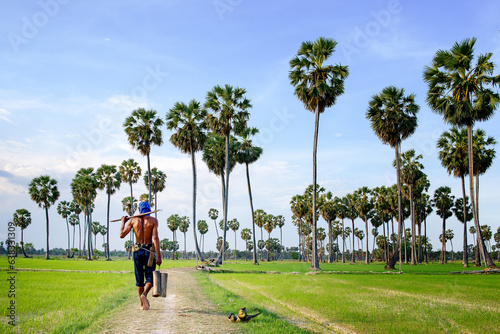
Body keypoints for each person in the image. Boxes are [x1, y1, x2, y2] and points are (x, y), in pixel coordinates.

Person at [120, 201, 162, 310]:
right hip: (149, 252)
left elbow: (121, 235)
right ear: (149, 209)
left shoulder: (133, 221)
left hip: (137, 251)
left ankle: (142, 304)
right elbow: (156, 238)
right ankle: (144, 295)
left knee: (139, 279)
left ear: (139, 210)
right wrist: (159, 256)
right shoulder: (153, 221)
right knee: (149, 277)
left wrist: (123, 222)